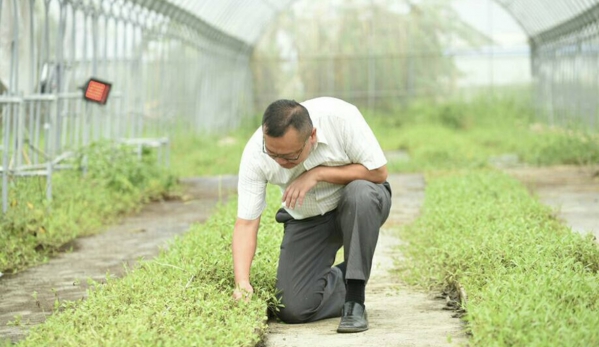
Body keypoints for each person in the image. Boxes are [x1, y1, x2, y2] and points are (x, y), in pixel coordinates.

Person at [231, 96, 392, 333]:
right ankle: (350, 272)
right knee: (293, 308)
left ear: (312, 137)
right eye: (273, 154)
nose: (280, 161)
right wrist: (242, 282)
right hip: (307, 218)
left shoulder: (341, 118)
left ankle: (355, 300)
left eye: (290, 157)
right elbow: (246, 223)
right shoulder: (255, 154)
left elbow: (378, 172)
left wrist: (318, 174)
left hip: (359, 204)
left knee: (360, 192)